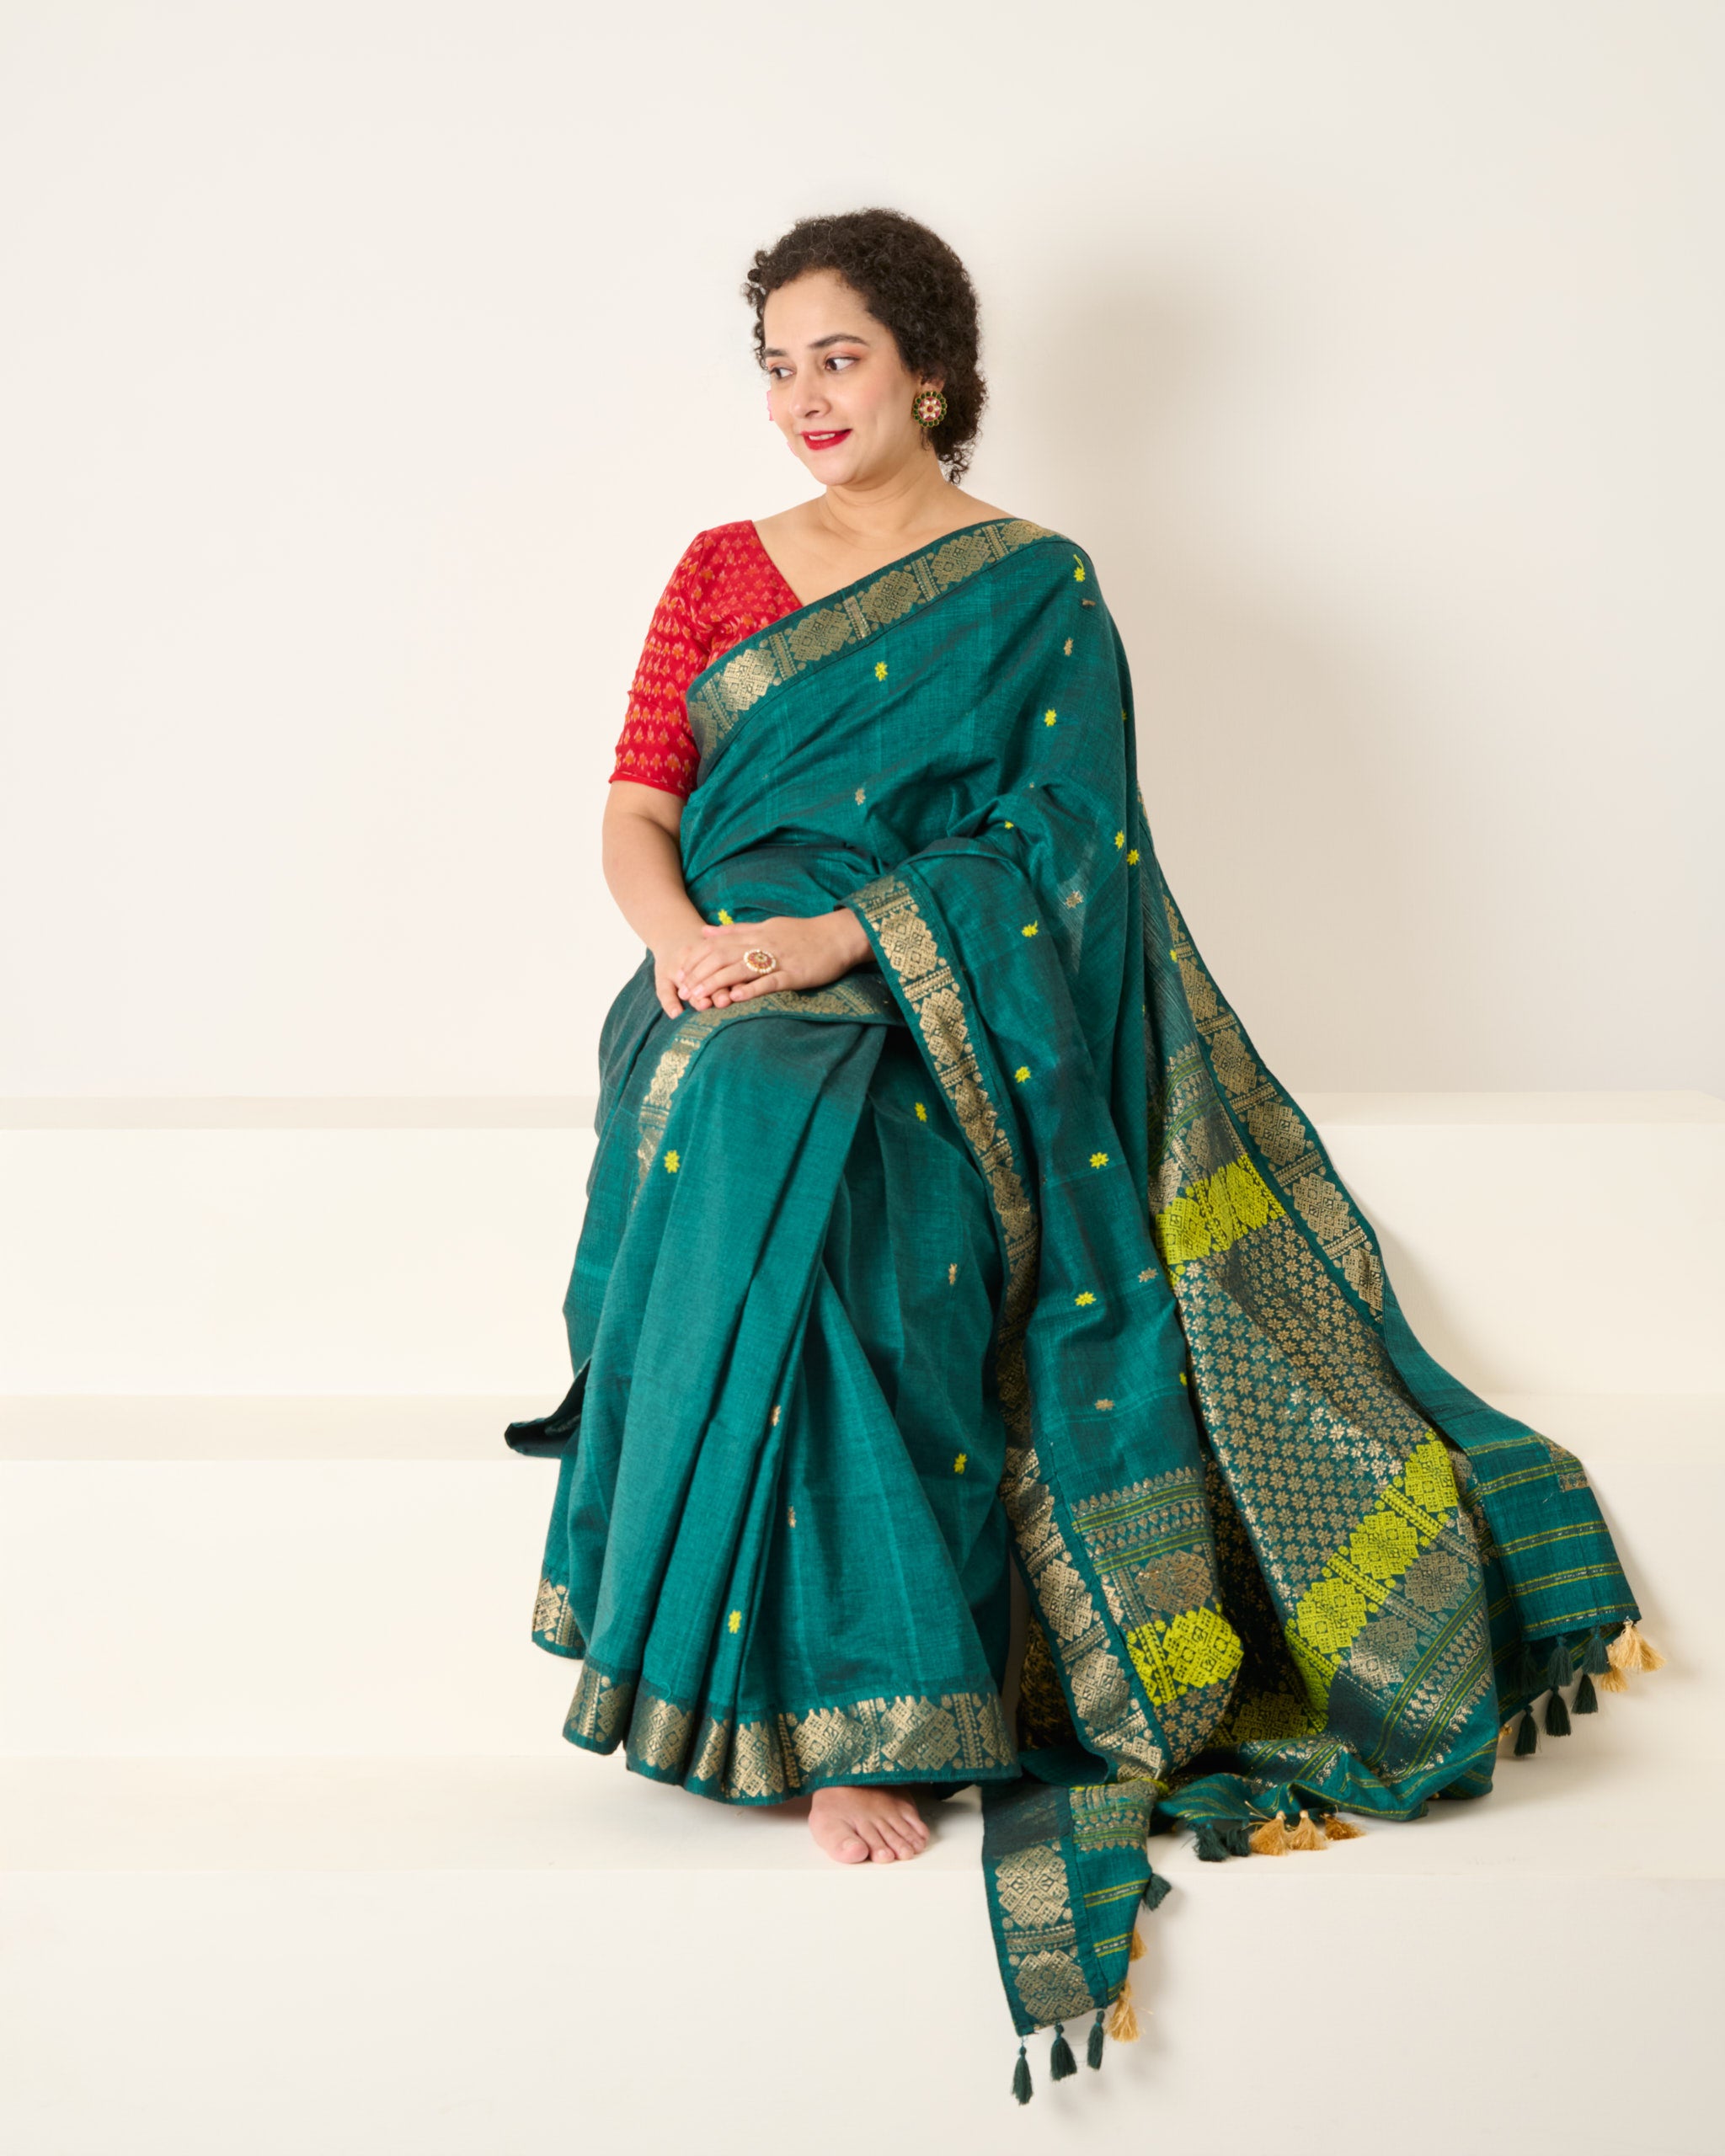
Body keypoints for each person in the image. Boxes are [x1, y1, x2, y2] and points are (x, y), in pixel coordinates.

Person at [505, 208, 1658, 2098]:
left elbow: (1073, 850)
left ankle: (878, 1713)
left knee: (870, 1164)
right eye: (777, 364)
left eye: (839, 358)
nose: (804, 397)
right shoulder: (718, 570)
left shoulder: (1033, 586)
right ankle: (713, 1671)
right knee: (732, 1099)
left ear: (931, 371)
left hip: (913, 984)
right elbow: (639, 805)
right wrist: (677, 942)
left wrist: (846, 936)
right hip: (715, 974)